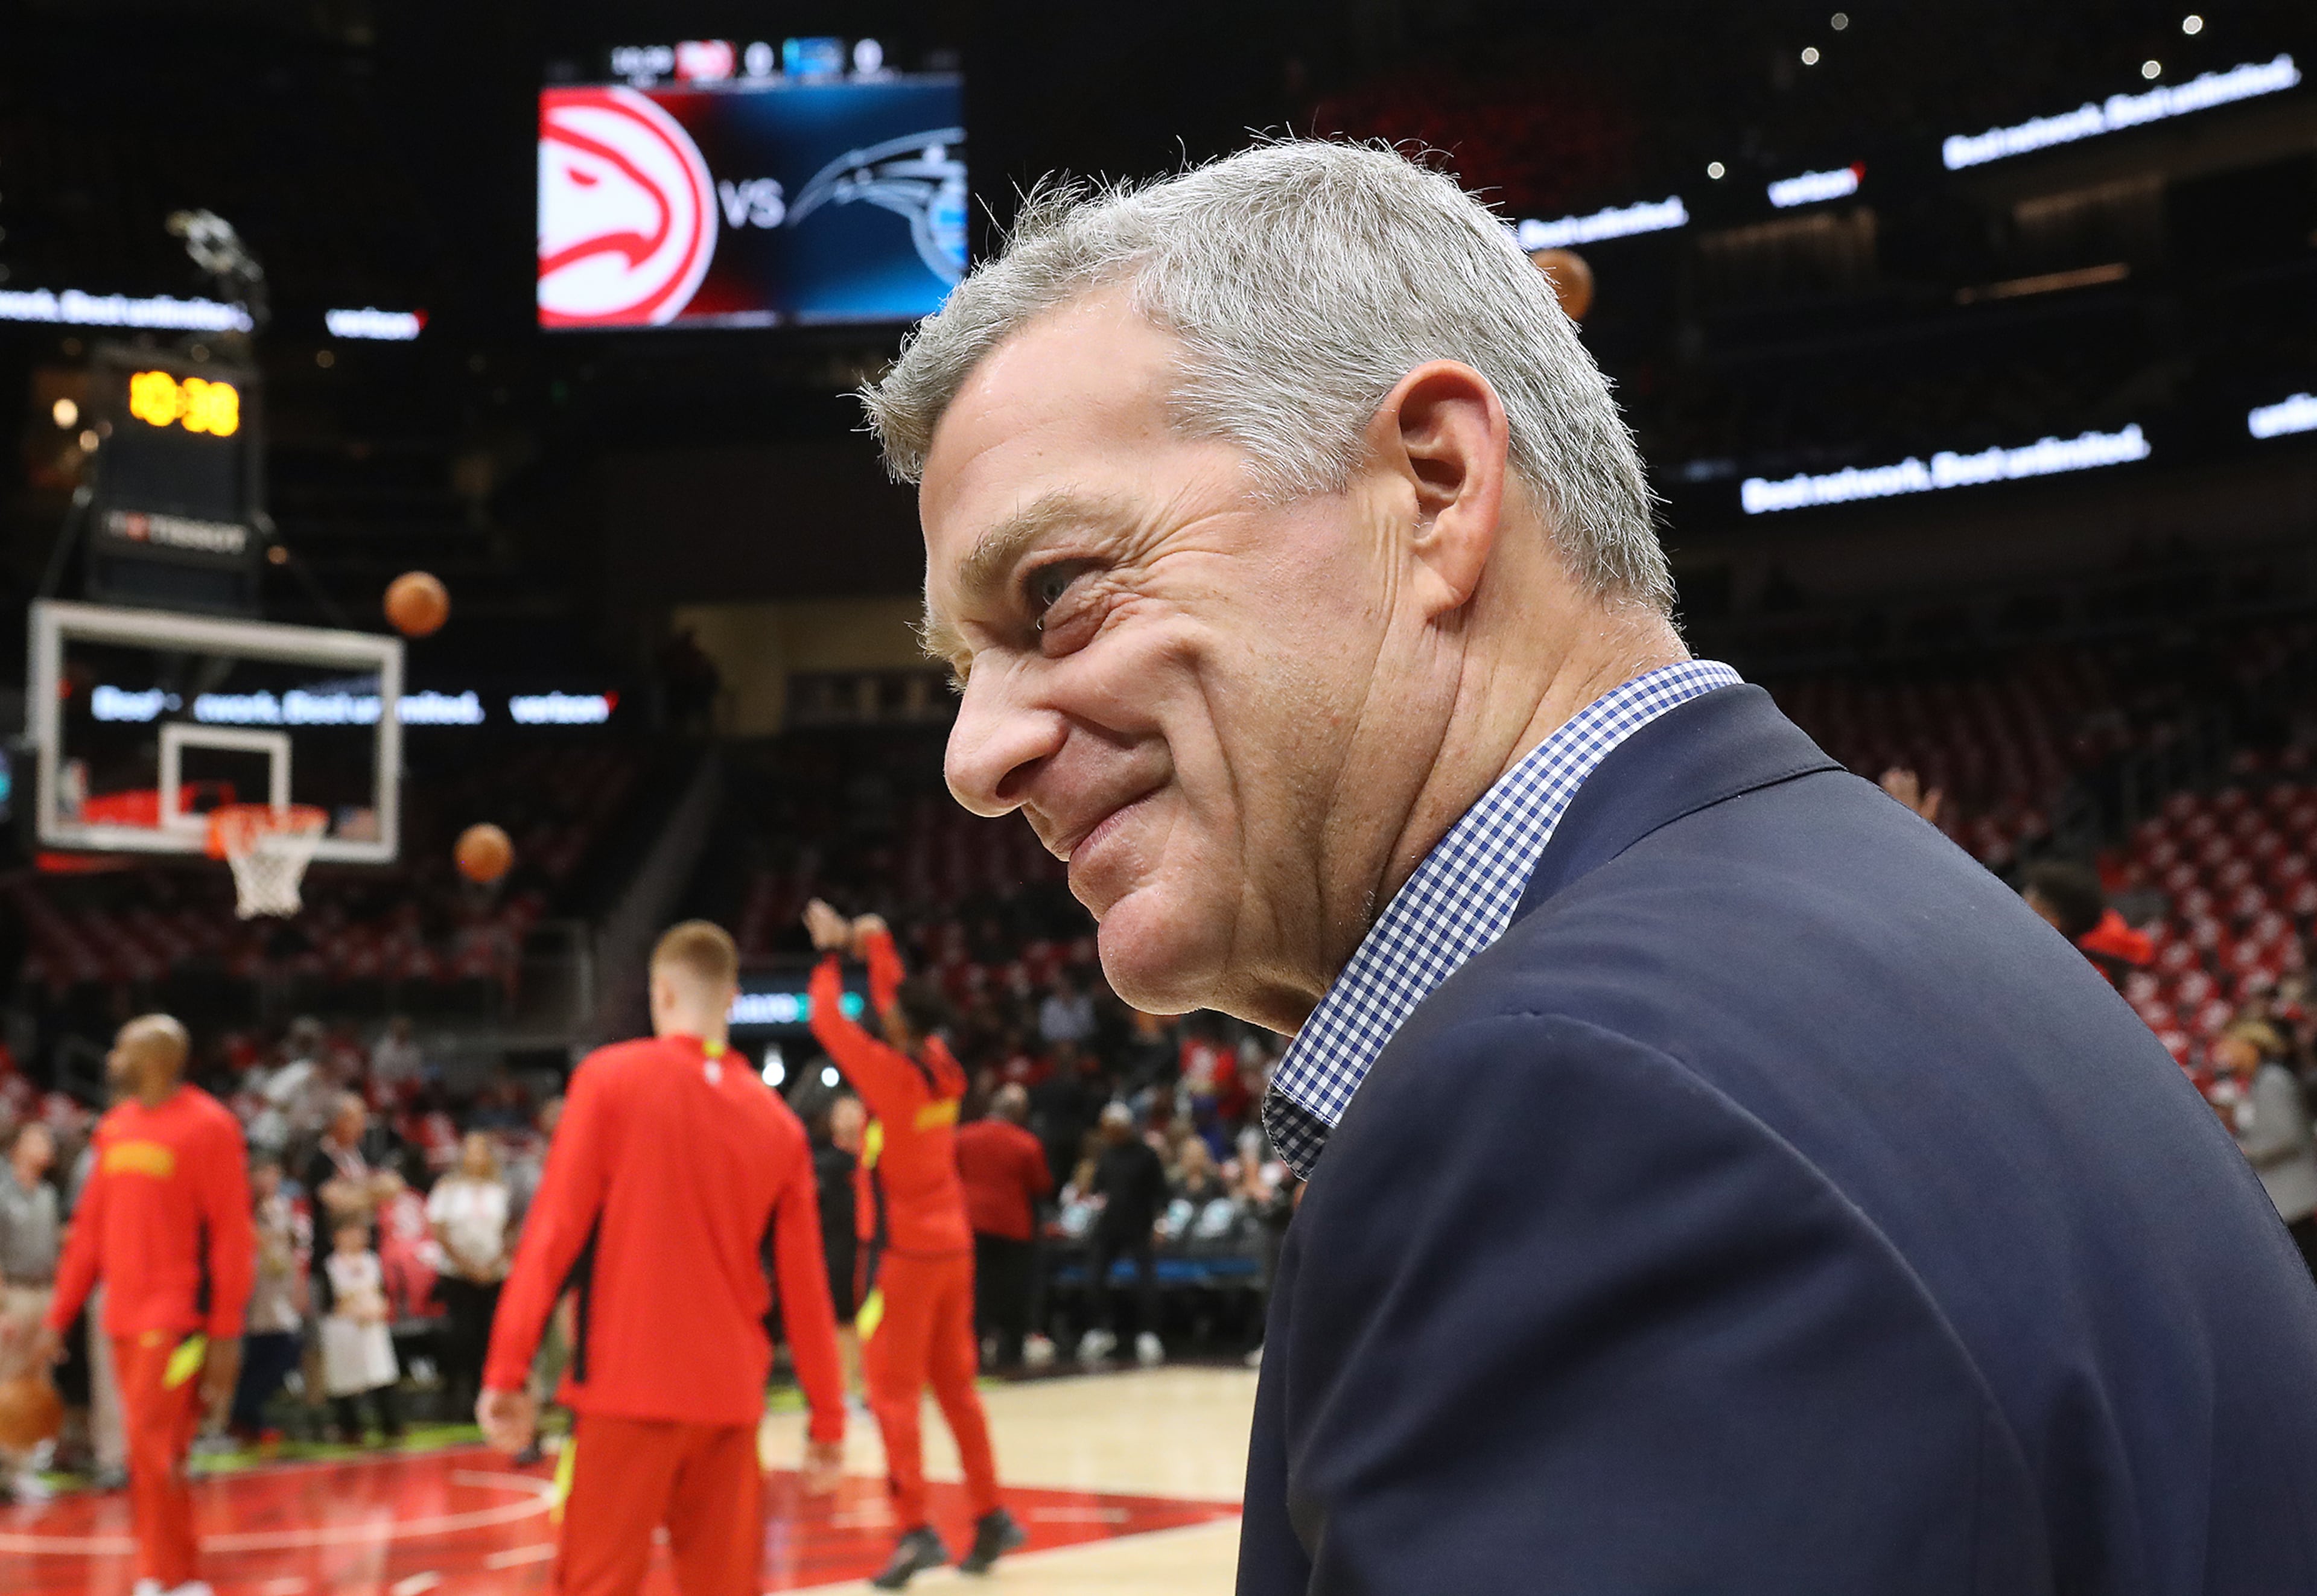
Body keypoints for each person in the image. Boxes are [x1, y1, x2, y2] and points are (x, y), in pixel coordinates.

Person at [872, 139, 2317, 1592]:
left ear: (1432, 484)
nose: (973, 754)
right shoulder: (1831, 933)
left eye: (1055, 593)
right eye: (956, 667)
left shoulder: (1576, 1091)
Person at [478, 920, 845, 1596]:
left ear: (661, 990)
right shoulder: (781, 1125)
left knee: (596, 1584)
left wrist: (507, 1367)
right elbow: (805, 1289)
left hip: (626, 1388)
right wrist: (828, 1416)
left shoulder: (609, 1079)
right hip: (730, 1401)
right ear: (732, 998)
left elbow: (553, 1232)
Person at [804, 900, 1022, 1588]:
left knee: (892, 1396)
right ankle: (990, 1513)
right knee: (957, 1390)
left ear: (904, 1025)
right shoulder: (942, 1065)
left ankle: (915, 1529)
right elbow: (899, 999)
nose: (887, 1014)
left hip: (901, 1258)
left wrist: (831, 953)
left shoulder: (893, 1076)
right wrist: (879, 944)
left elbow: (827, 1021)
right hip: (953, 1248)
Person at [33, 1015, 255, 1596]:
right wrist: (58, 1315)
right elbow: (88, 1234)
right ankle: (172, 1571)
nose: (110, 1060)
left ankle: (164, 1575)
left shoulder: (210, 1125)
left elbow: (232, 1234)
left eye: (121, 1049)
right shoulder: (115, 1128)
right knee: (151, 1449)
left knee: (155, 1448)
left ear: (156, 1059)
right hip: (120, 1317)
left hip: (178, 1321)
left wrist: (228, 1329)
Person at [953, 1084, 1052, 1370]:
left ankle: (972, 1346)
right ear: (1020, 1113)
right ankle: (1012, 1353)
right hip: (1013, 1229)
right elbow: (1041, 1184)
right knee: (1014, 1291)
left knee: (976, 1288)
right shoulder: (1027, 1144)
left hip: (970, 1225)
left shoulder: (963, 1137)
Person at [2217, 1022, 2317, 1280]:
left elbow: (2287, 1135)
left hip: (2296, 1194)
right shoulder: (2260, 1081)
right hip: (2289, 1195)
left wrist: (2247, 1150)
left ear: (2251, 1048)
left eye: (2234, 1046)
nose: (2228, 1054)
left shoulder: (2271, 1080)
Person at [427, 1130, 510, 1414]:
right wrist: (468, 1266)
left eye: (481, 1150)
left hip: (495, 1272)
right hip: (458, 1274)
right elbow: (440, 1231)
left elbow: (511, 1229)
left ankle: (489, 1394)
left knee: (492, 1336)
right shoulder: (448, 1189)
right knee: (461, 1335)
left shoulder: (500, 1190)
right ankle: (456, 1398)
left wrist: (493, 1263)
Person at [228, 1154, 308, 1445]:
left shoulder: (281, 1208)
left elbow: (289, 1248)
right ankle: (245, 1416)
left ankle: (246, 1411)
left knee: (286, 1348)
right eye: (261, 1173)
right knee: (255, 1353)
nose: (268, 1180)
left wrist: (297, 1284)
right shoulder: (241, 1209)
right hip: (251, 1291)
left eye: (273, 1173)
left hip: (277, 1288)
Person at [0, 1120, 61, 1499]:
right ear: (17, 1147)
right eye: (38, 1136)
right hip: (14, 1294)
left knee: (37, 1382)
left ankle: (24, 1466)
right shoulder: (3, 1190)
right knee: (7, 1381)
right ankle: (6, 1466)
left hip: (45, 1292)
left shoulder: (49, 1194)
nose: (46, 1144)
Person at [1079, 1104, 1165, 1368]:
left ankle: (1148, 1334)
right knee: (1095, 1277)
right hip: (1109, 1227)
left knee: (1146, 1282)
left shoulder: (1147, 1155)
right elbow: (1098, 1190)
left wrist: (1160, 1224)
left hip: (1140, 1225)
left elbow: (1161, 1193)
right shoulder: (1106, 1156)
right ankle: (1099, 1331)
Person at [319, 1218, 400, 1443]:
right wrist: (354, 1311)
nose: (357, 1237)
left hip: (372, 1324)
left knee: (381, 1375)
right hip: (344, 1328)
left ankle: (390, 1424)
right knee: (345, 1381)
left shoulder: (372, 1261)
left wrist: (379, 1308)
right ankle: (350, 1427)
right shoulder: (331, 1265)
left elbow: (385, 1291)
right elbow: (328, 1302)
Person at [2023, 859, 2154, 989]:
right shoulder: (2103, 924)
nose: (2020, 909)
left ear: (2052, 919)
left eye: (2025, 904)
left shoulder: (2078, 975)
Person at [813, 1092, 867, 1402]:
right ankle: (849, 1389)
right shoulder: (825, 1166)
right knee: (847, 1325)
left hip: (857, 1255)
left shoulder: (875, 1163)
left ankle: (858, 1388)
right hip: (846, 1256)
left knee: (856, 1326)